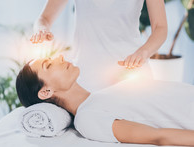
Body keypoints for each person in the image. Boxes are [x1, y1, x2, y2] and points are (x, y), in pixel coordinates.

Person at [16, 55, 194, 146]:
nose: (60, 57)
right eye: (49, 65)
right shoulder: (87, 119)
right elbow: (158, 137)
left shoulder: (100, 96)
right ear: (46, 91)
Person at [29, 0, 168, 92]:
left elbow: (160, 28)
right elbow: (44, 19)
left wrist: (143, 52)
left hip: (131, 76)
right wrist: (41, 29)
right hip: (85, 80)